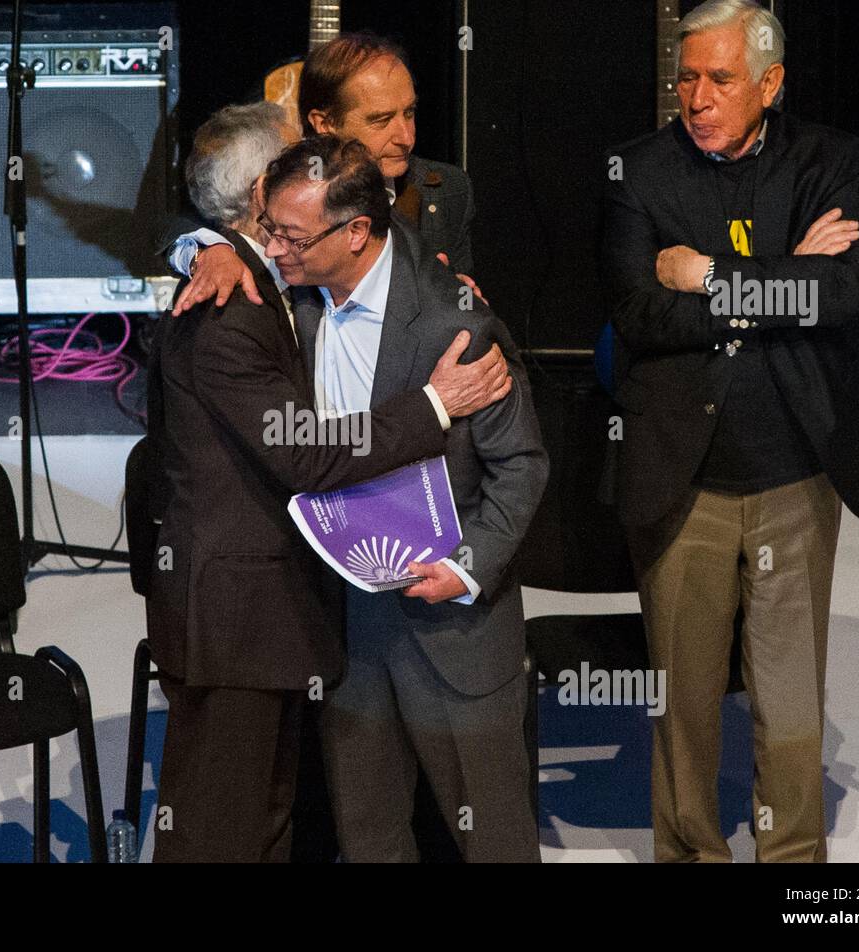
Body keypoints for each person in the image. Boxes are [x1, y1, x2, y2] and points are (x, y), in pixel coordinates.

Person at [146, 104, 512, 862]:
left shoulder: (262, 279)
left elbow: (367, 235)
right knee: (220, 836)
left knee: (262, 827)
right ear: (262, 197)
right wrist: (437, 405)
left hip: (264, 619)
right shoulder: (229, 311)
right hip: (233, 623)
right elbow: (307, 453)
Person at [600, 0, 859, 862]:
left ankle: (794, 864)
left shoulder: (828, 159)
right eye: (686, 77)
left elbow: (835, 296)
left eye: (720, 78)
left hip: (796, 471)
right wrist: (782, 276)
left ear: (771, 82)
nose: (697, 96)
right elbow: (639, 313)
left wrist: (709, 276)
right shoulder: (636, 172)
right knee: (684, 709)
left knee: (791, 707)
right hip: (684, 480)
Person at [261, 135, 545, 862]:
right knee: (369, 840)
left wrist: (468, 567)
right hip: (348, 629)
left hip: (453, 629)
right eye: (270, 230)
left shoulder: (458, 322)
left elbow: (522, 467)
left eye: (290, 235)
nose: (274, 248)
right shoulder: (290, 309)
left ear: (355, 232)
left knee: (495, 843)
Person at [169, 31, 480, 316]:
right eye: (382, 120)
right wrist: (210, 248)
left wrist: (460, 302)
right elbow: (178, 223)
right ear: (324, 123)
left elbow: (462, 303)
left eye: (409, 112)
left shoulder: (445, 189)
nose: (406, 137)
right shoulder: (290, 183)